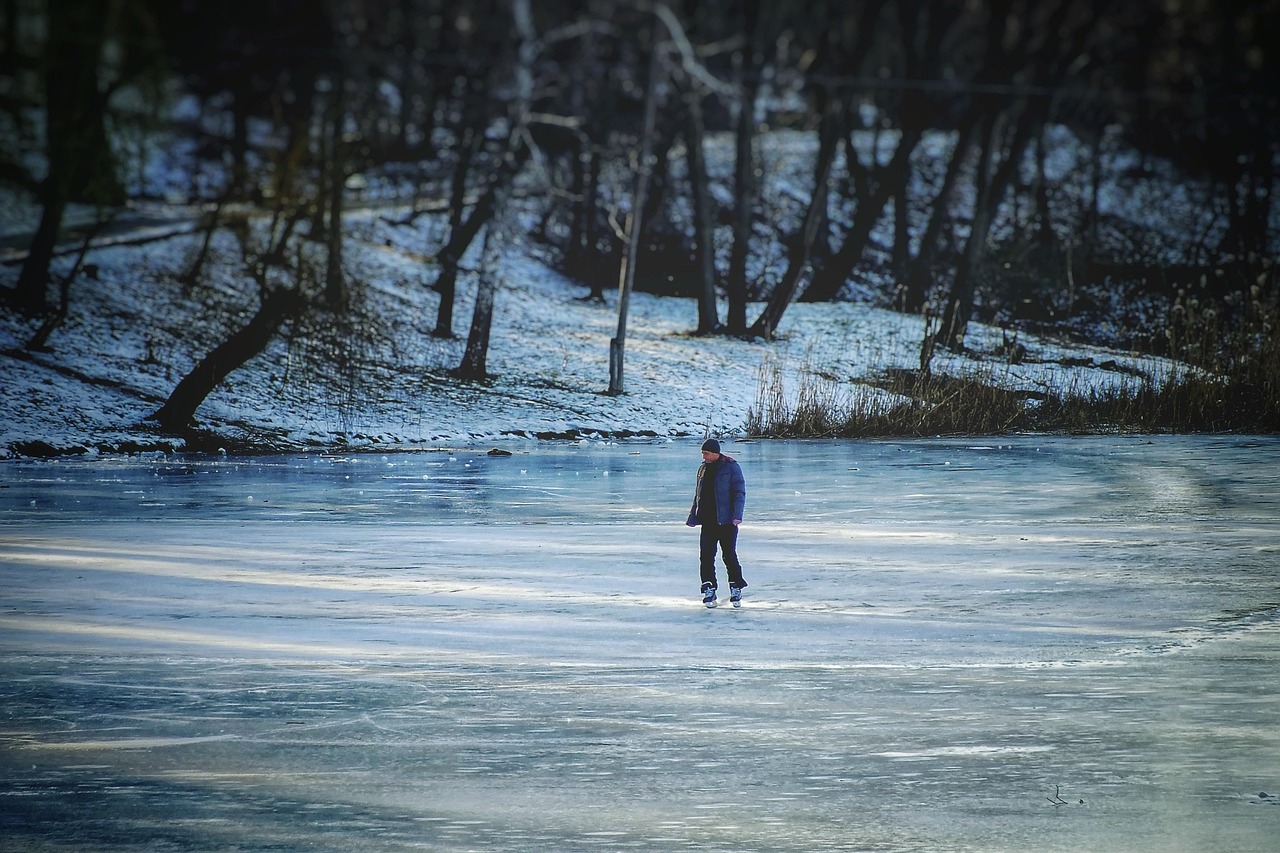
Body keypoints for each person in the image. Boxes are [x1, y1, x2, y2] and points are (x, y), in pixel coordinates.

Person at [686, 438, 747, 607]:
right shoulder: (703, 469)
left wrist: (737, 515)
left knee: (729, 555)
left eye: (706, 453)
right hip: (708, 521)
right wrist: (694, 515)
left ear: (715, 453)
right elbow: (698, 495)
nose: (704, 456)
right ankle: (709, 588)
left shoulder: (731, 467)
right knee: (706, 556)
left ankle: (736, 587)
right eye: (703, 453)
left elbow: (739, 492)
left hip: (727, 522)